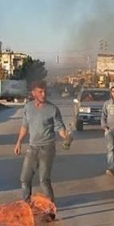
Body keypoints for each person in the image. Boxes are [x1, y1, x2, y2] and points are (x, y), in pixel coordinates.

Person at [14, 80, 72, 217]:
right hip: (32, 147)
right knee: (25, 179)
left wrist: (67, 137)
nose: (44, 94)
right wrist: (19, 142)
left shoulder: (52, 109)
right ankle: (26, 206)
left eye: (45, 91)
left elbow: (60, 128)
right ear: (34, 93)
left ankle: (50, 211)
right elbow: (24, 126)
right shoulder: (28, 107)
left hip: (47, 148)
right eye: (40, 91)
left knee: (44, 180)